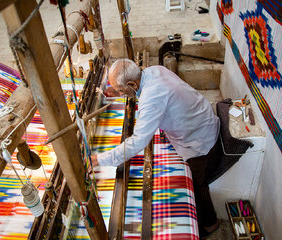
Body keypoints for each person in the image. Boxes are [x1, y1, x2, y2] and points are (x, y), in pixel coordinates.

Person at [91, 58, 220, 237]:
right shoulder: (153, 71)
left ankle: (210, 224)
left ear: (131, 83)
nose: (121, 95)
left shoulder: (151, 98)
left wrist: (99, 159)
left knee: (198, 184)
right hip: (200, 116)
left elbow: (138, 142)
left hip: (199, 140)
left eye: (121, 91)